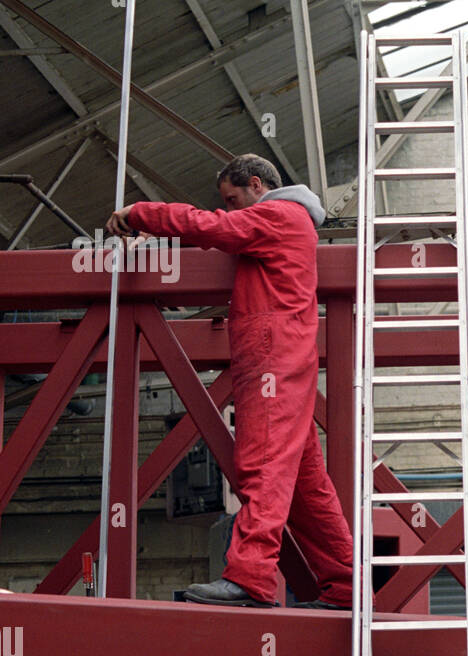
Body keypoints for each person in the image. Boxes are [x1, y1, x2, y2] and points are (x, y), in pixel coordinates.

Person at [106, 154, 353, 609]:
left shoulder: (277, 215)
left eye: (234, 199)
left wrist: (140, 213)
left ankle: (251, 578)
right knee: (303, 484)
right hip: (285, 358)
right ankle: (345, 583)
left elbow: (211, 228)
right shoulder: (289, 223)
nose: (232, 210)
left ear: (257, 185)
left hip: (270, 361)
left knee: (262, 464)